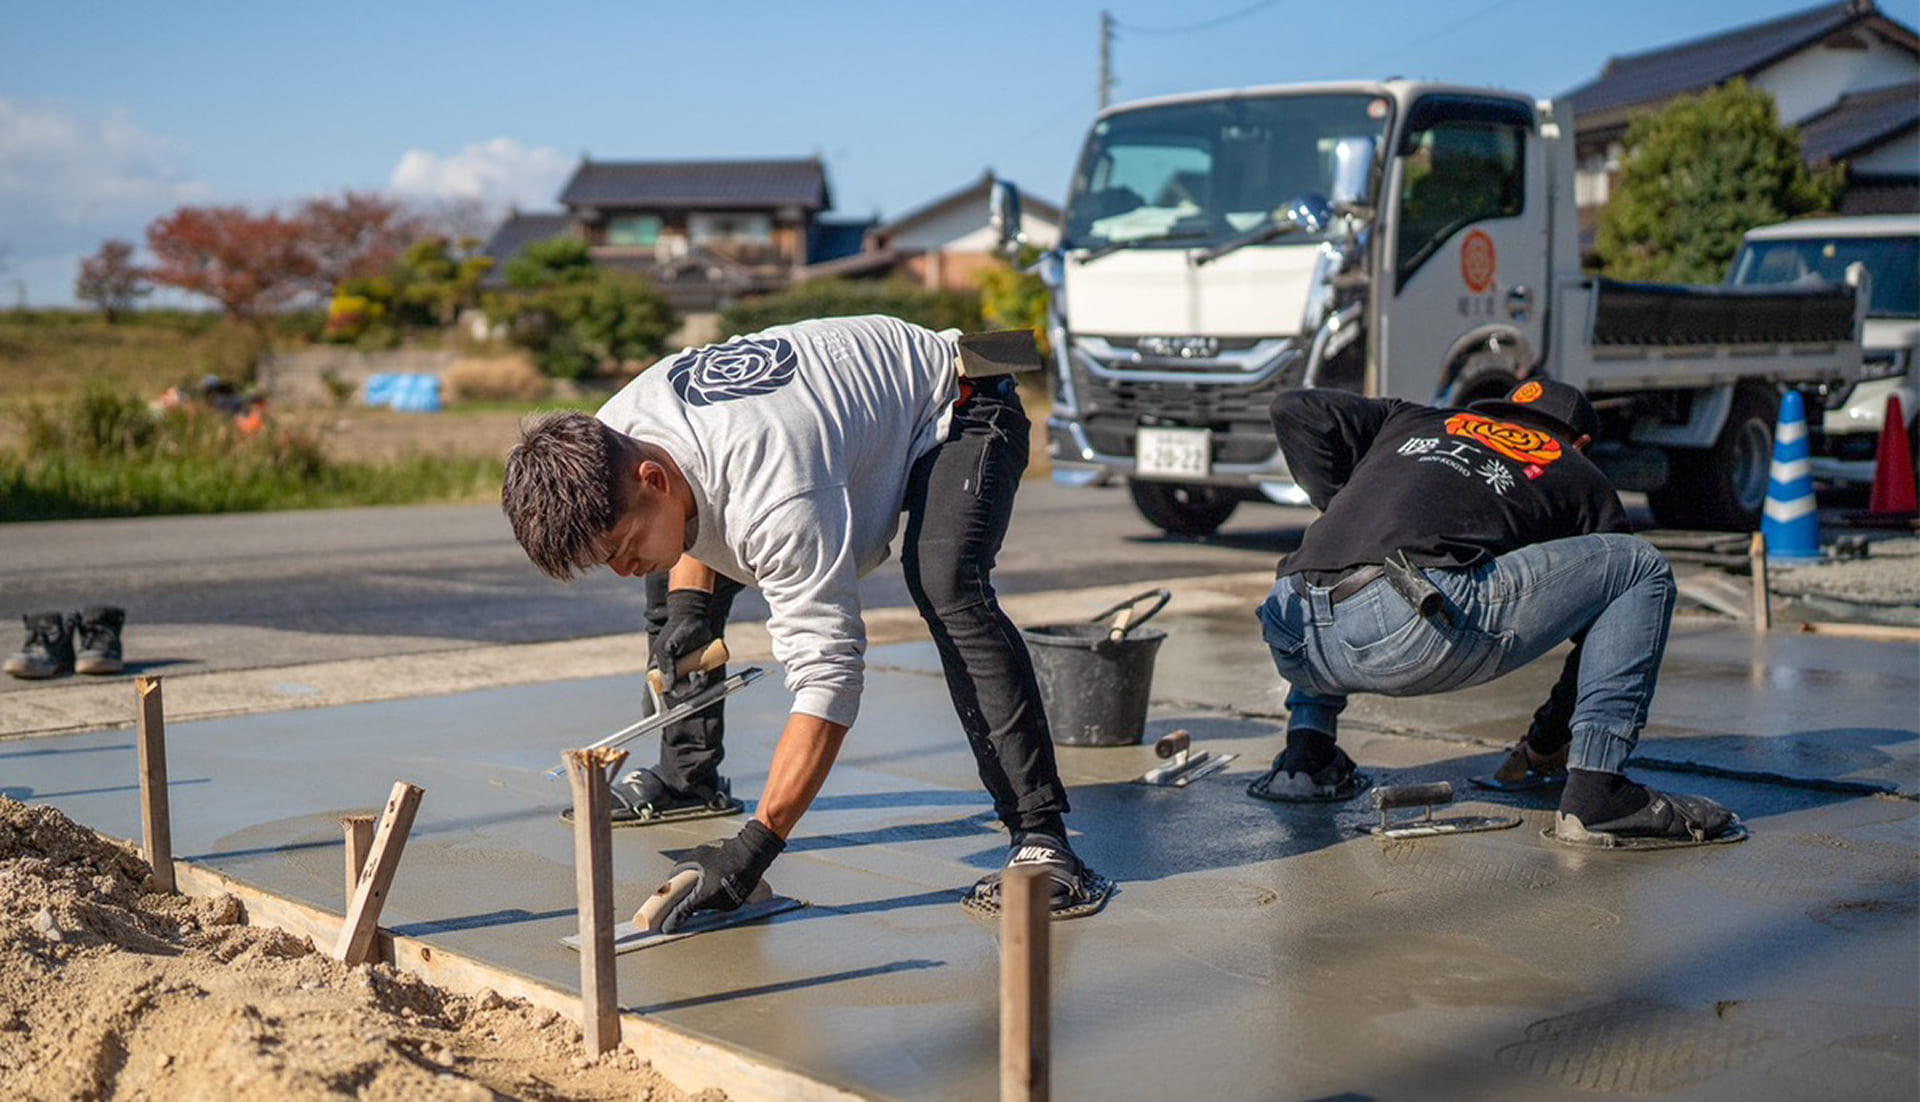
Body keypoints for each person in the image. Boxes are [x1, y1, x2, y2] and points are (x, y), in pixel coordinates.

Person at [502, 315, 1111, 927]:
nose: (619, 571)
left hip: (960, 403)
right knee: (668, 579)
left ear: (651, 478)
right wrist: (689, 613)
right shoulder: (618, 433)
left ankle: (1041, 835)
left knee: (947, 584)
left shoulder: (777, 494)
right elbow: (689, 504)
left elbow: (831, 675)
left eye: (618, 548)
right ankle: (688, 778)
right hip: (819, 429)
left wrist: (755, 848)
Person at [1252, 378, 1744, 848]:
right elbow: (1603, 640)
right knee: (1639, 568)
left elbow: (1292, 408)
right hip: (1404, 628)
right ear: (1583, 442)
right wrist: (1547, 743)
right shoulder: (1573, 467)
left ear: (1495, 411)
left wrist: (1341, 504)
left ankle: (1306, 759)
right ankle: (1599, 795)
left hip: (1289, 626)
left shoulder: (1416, 419)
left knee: (1342, 549)